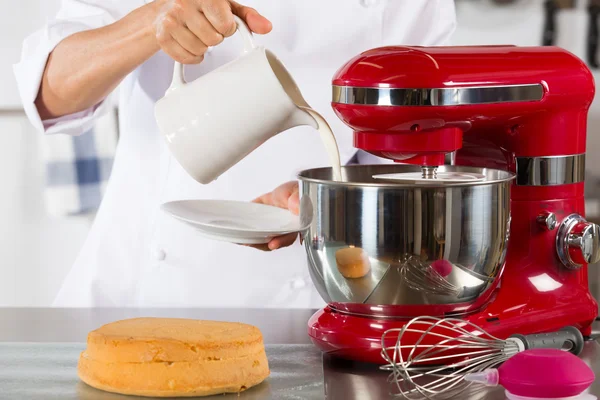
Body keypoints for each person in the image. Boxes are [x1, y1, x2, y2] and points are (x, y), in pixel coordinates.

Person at [15, 0, 457, 308]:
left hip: (296, 302)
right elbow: (51, 92)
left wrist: (327, 199)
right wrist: (154, 20)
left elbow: (407, 158)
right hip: (139, 292)